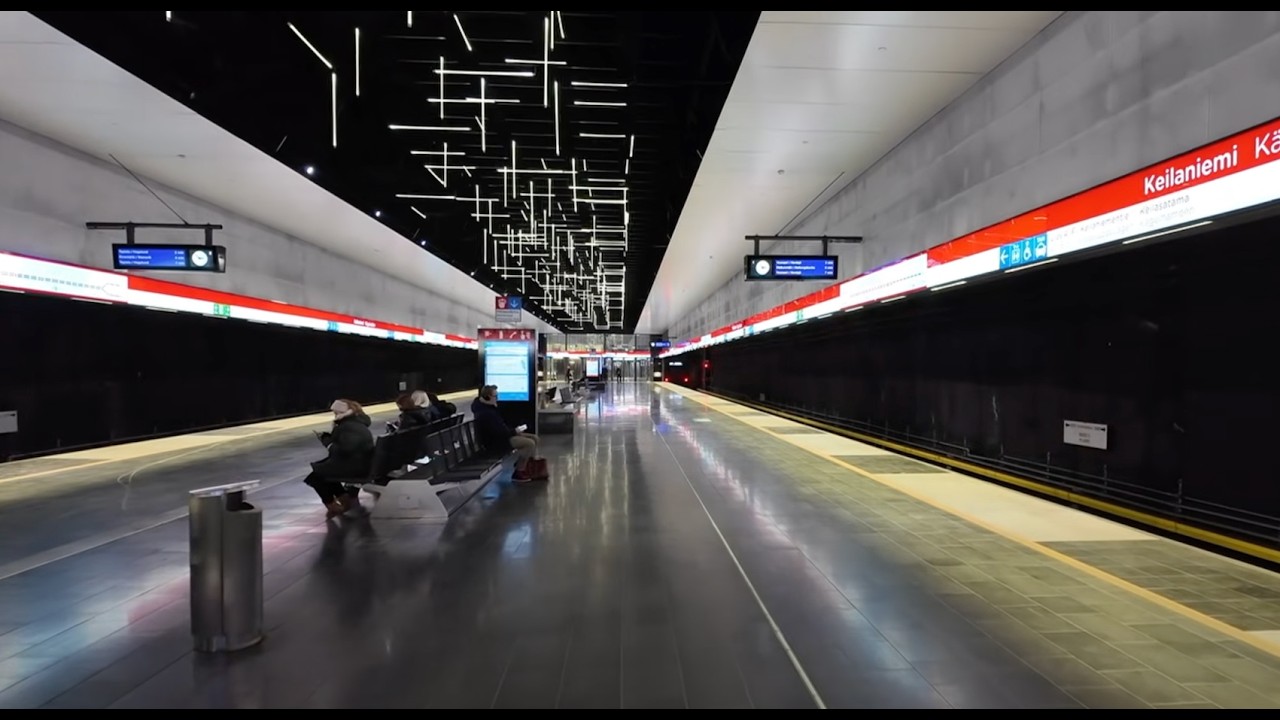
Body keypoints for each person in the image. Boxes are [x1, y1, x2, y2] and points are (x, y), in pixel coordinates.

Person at [305, 399, 374, 517]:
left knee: (316, 477)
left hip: (356, 466)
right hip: (361, 462)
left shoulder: (348, 426)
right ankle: (344, 500)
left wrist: (328, 442)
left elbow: (346, 448)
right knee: (323, 473)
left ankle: (334, 506)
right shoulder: (357, 423)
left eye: (335, 413)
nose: (335, 415)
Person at [470, 385, 546, 483]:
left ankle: (525, 464)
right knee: (529, 443)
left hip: (502, 437)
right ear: (487, 397)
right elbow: (499, 432)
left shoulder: (489, 408)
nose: (497, 399)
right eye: (495, 396)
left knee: (535, 438)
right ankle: (519, 472)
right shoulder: (485, 413)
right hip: (495, 443)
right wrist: (514, 432)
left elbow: (501, 427)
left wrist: (514, 431)